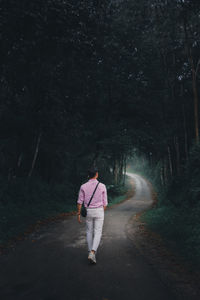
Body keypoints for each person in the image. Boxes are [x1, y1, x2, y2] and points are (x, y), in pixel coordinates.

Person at [77, 167, 108, 264]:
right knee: (98, 232)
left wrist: (78, 214)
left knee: (89, 232)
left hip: (88, 211)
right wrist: (100, 211)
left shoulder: (83, 186)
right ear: (97, 174)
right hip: (99, 210)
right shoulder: (102, 186)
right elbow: (105, 203)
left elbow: (79, 202)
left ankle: (91, 252)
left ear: (88, 175)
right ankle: (93, 252)